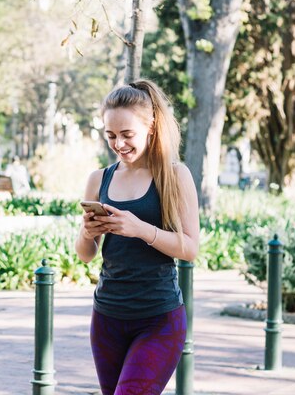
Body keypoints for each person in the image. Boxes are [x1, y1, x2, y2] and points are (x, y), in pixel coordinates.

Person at [75, 79, 200, 395]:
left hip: (158, 319)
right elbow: (85, 254)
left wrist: (141, 229)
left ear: (151, 127)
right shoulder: (98, 179)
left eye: (127, 135)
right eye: (111, 136)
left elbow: (190, 249)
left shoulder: (174, 176)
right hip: (107, 318)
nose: (119, 144)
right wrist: (87, 234)